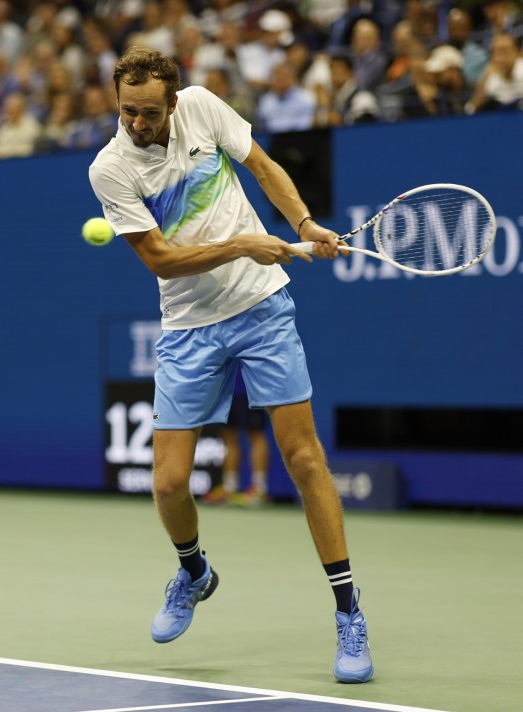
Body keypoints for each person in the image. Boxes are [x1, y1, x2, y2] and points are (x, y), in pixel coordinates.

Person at [86, 46, 373, 684]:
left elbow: (265, 168)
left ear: (173, 100)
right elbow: (160, 259)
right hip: (188, 328)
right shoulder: (110, 169)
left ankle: (350, 614)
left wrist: (302, 220)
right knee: (167, 482)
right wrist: (243, 243)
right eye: (128, 112)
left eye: (150, 113)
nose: (138, 123)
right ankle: (194, 572)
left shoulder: (204, 109)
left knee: (304, 459)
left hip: (262, 310)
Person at [205, 374, 271, 506]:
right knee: (228, 436)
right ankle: (229, 488)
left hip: (251, 387)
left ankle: (259, 489)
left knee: (255, 434)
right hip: (225, 388)